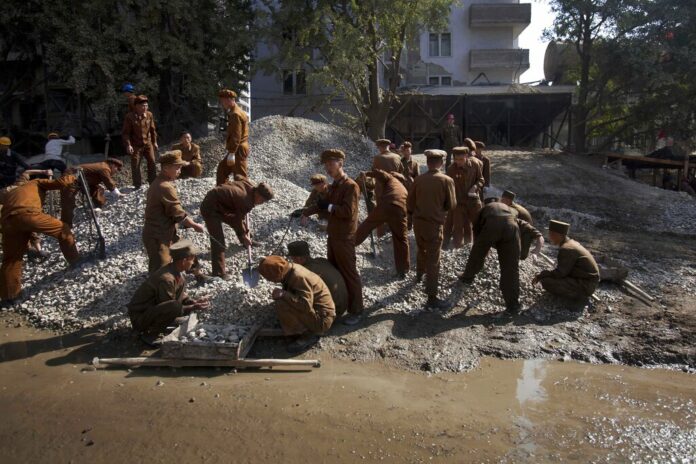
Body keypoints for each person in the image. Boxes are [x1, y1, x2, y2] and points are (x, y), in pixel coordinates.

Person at [0, 174, 83, 306]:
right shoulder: (36, 182)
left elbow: (23, 224)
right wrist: (74, 177)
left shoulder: (14, 192)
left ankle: (9, 297)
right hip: (27, 213)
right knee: (63, 230)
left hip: (7, 222)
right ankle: (76, 261)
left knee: (11, 259)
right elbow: (60, 182)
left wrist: (34, 244)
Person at [302, 149, 363, 325]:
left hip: (344, 237)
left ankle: (357, 310)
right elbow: (322, 205)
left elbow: (347, 212)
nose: (328, 168)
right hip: (334, 235)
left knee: (349, 273)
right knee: (335, 272)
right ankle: (341, 305)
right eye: (326, 165)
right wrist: (305, 212)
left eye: (331, 164)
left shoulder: (350, 186)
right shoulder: (334, 186)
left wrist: (328, 206)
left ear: (340, 164)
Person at [127, 239, 210, 345]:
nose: (193, 262)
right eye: (192, 259)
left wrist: (193, 302)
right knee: (175, 307)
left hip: (152, 311)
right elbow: (170, 306)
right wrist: (193, 308)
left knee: (176, 307)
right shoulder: (166, 279)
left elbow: (180, 295)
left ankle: (160, 326)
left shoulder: (177, 273)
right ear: (184, 260)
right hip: (140, 318)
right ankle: (150, 334)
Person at [460, 198, 528, 315]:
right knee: (511, 268)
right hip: (512, 228)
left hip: (493, 226)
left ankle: (468, 277)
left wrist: (482, 249)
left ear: (485, 204)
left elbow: (476, 232)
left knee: (476, 254)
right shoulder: (510, 209)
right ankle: (513, 305)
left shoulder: (484, 210)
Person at [407, 149, 456, 309]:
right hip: (434, 224)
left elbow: (410, 204)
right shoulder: (446, 180)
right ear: (441, 163)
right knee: (434, 260)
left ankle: (419, 275)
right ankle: (432, 297)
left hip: (418, 223)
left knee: (421, 249)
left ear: (427, 163)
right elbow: (451, 205)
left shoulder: (418, 180)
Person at [142, 150, 205, 274]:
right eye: (177, 168)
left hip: (168, 231)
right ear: (166, 168)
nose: (180, 171)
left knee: (187, 251)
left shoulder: (161, 183)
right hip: (157, 236)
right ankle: (158, 290)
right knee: (160, 270)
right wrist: (194, 225)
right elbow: (177, 213)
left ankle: (198, 275)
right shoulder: (164, 187)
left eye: (180, 167)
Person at [200, 177, 274, 279]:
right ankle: (219, 273)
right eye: (262, 200)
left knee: (239, 224)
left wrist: (244, 234)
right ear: (257, 194)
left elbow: (239, 216)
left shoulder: (250, 186)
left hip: (223, 204)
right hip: (210, 207)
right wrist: (243, 234)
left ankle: (246, 241)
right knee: (218, 240)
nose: (261, 203)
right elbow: (238, 220)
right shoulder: (244, 200)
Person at [258, 255, 336, 353]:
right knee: (283, 300)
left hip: (321, 321)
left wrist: (284, 294)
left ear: (277, 274)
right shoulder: (290, 269)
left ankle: (307, 334)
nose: (270, 281)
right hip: (319, 312)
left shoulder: (298, 277)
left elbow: (305, 306)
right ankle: (298, 328)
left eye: (269, 278)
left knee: (281, 303)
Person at [355, 169, 410, 278]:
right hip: (399, 210)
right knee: (401, 239)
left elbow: (380, 173)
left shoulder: (391, 178)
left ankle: (348, 245)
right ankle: (403, 270)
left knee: (367, 225)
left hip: (387, 205)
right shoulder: (404, 190)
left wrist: (366, 173)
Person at [533, 220, 600, 300]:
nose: (550, 237)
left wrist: (541, 275)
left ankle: (577, 299)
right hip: (588, 282)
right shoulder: (571, 243)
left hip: (586, 285)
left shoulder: (566, 249)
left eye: (551, 234)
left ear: (557, 235)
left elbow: (560, 273)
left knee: (546, 281)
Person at [286, 240, 349, 317]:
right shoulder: (322, 260)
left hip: (332, 313)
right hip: (344, 306)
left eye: (293, 259)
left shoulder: (305, 272)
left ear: (299, 259)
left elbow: (303, 298)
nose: (293, 261)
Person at [60, 158, 125, 226]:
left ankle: (98, 207)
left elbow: (92, 176)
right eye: (117, 168)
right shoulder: (104, 167)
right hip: (70, 176)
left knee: (97, 189)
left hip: (82, 179)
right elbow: (108, 181)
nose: (116, 171)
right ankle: (65, 225)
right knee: (68, 201)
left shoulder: (103, 166)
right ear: (112, 165)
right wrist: (117, 193)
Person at [442, 146, 484, 248]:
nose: (458, 162)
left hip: (473, 200)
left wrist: (476, 186)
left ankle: (480, 247)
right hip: (459, 203)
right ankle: (459, 249)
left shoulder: (475, 165)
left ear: (466, 156)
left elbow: (481, 179)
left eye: (461, 159)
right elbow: (447, 187)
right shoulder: (451, 169)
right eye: (456, 159)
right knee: (458, 227)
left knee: (478, 224)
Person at [121, 95, 158, 188]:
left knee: (152, 162)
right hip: (136, 145)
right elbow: (126, 133)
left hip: (148, 143)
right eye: (142, 106)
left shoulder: (149, 115)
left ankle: (153, 183)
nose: (145, 108)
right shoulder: (129, 117)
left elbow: (153, 130)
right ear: (136, 106)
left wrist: (155, 142)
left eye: (146, 105)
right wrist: (128, 145)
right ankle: (137, 185)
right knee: (136, 164)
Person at [217, 89, 249, 184]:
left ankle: (245, 197)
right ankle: (222, 193)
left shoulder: (235, 114)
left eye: (223, 101)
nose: (222, 103)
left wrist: (231, 152)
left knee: (240, 177)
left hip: (238, 149)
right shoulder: (237, 111)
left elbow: (236, 135)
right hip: (238, 148)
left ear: (230, 100)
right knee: (222, 170)